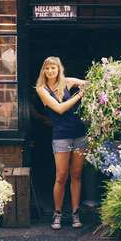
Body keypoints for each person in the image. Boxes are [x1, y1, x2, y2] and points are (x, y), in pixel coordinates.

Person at [35, 56, 87, 230]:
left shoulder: (67, 82)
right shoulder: (41, 89)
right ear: (44, 70)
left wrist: (87, 87)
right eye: (47, 68)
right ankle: (57, 214)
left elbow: (90, 83)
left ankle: (75, 213)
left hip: (79, 133)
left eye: (53, 68)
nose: (50, 71)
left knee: (77, 175)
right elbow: (59, 108)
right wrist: (80, 95)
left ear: (59, 69)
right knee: (61, 176)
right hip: (61, 136)